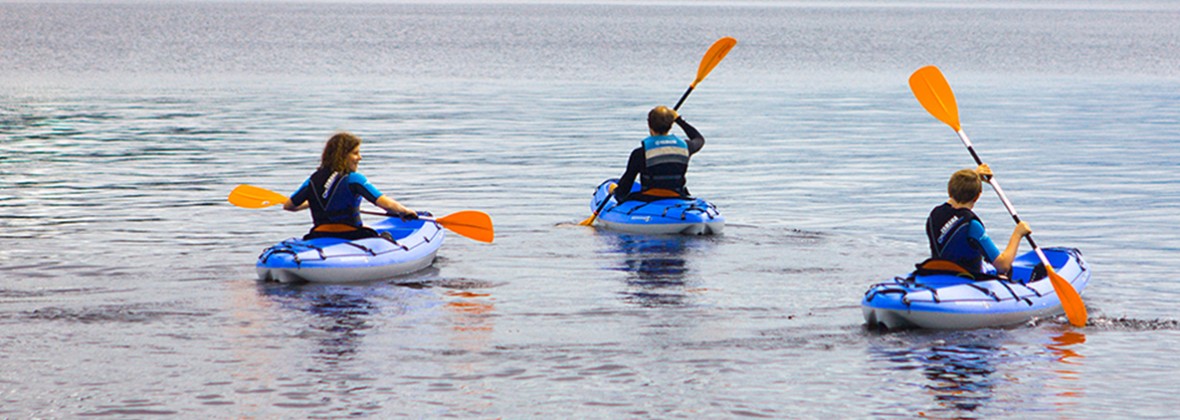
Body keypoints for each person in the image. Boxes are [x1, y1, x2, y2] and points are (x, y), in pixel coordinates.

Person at [283, 132, 416, 240]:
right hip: (351, 235)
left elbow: (289, 206)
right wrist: (405, 211)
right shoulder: (354, 179)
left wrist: (312, 202)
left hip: (318, 234)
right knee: (385, 237)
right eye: (355, 153)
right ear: (342, 156)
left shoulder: (312, 180)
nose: (360, 158)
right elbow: (385, 203)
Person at [925, 164, 1032, 277]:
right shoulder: (972, 225)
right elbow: (1003, 265)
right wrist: (1018, 234)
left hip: (937, 274)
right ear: (977, 196)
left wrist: (974, 177)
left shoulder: (935, 214)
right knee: (1006, 273)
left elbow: (955, 196)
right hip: (965, 279)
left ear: (949, 191)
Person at [613, 105, 705, 203]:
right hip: (678, 196)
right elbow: (699, 139)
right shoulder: (685, 147)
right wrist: (679, 120)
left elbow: (624, 187)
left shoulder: (640, 153)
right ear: (671, 125)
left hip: (648, 198)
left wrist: (614, 191)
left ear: (649, 125)